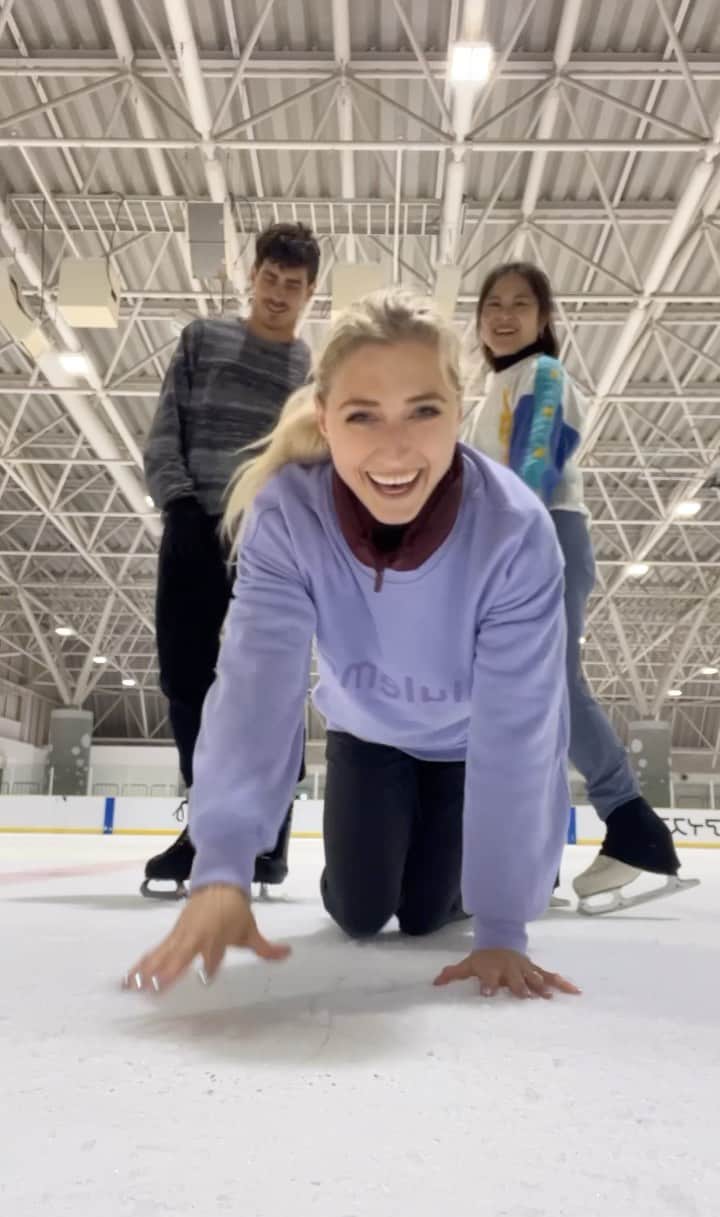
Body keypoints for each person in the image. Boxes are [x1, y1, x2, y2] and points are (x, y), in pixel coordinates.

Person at [124, 289, 581, 1003]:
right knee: (359, 913)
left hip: (466, 746)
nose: (394, 447)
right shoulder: (288, 513)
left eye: (423, 411)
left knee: (426, 914)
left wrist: (501, 926)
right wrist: (223, 868)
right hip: (367, 734)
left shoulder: (515, 532)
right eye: (363, 415)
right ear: (324, 419)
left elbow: (523, 732)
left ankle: (474, 878)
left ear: (458, 410)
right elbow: (254, 691)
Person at [469, 262, 697, 912]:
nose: (504, 315)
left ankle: (631, 822)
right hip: (517, 540)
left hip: (540, 535)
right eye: (493, 304)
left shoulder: (542, 374)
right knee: (528, 702)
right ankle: (536, 856)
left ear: (544, 319)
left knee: (553, 687)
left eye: (520, 304)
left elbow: (535, 466)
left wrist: (505, 549)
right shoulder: (497, 386)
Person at [141, 221, 320, 899]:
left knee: (267, 686)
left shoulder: (310, 373)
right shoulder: (202, 339)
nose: (278, 293)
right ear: (253, 275)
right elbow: (166, 427)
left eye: (293, 285)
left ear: (309, 293)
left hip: (269, 541)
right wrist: (179, 504)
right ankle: (207, 826)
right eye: (270, 278)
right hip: (194, 525)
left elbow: (309, 463)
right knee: (186, 677)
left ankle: (270, 835)